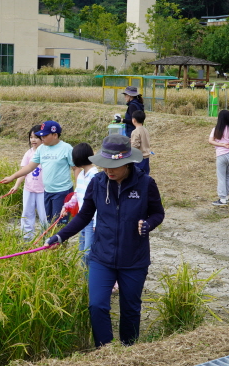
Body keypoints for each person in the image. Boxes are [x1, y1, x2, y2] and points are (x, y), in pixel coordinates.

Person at [44, 134, 165, 347]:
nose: (108, 170)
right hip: (101, 257)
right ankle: (105, 349)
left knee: (130, 309)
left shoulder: (146, 184)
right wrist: (60, 236)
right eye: (105, 165)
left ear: (127, 163)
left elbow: (157, 213)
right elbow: (84, 215)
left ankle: (128, 349)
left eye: (113, 166)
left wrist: (147, 224)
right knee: (97, 305)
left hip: (134, 259)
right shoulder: (98, 183)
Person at [1, 120, 74, 225]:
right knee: (48, 221)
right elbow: (30, 166)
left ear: (55, 135)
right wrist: (12, 177)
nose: (42, 138)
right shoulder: (42, 149)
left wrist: (77, 191)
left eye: (45, 135)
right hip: (47, 191)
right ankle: (48, 240)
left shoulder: (66, 148)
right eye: (41, 135)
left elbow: (76, 168)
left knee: (58, 223)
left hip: (62, 191)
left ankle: (60, 241)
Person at [8, 125, 46, 242]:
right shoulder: (28, 153)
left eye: (36, 137)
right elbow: (23, 172)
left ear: (43, 138)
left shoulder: (46, 153)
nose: (33, 140)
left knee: (44, 216)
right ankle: (27, 237)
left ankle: (45, 237)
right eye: (31, 137)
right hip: (29, 189)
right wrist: (16, 185)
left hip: (43, 190)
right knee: (27, 213)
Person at [62, 142, 98, 263]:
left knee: (88, 252)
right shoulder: (81, 174)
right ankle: (84, 278)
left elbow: (98, 202)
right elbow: (76, 194)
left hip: (91, 219)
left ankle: (91, 278)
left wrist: (95, 223)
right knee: (82, 250)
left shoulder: (94, 175)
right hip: (82, 218)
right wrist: (66, 207)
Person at [208, 110, 229, 206]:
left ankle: (222, 198)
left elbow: (210, 141)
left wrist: (221, 144)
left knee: (221, 177)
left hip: (221, 155)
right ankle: (226, 196)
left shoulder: (216, 129)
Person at [130, 110, 151, 175]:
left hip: (139, 158)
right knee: (145, 175)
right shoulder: (145, 130)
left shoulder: (135, 131)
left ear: (134, 120)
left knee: (138, 175)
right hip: (146, 156)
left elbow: (135, 146)